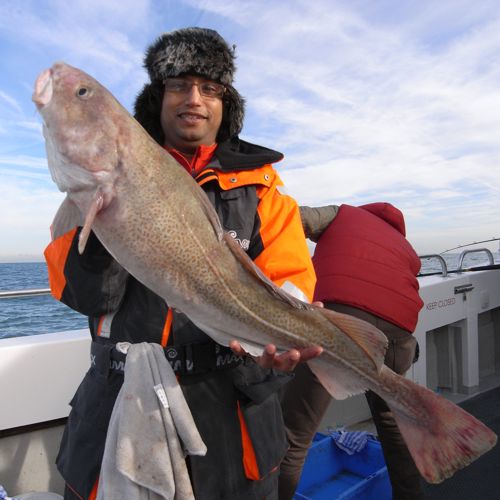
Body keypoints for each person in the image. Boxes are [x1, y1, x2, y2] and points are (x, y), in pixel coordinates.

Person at [44, 27, 320, 500]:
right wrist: (109, 217)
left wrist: (284, 333)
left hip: (231, 410)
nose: (193, 98)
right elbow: (83, 297)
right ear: (159, 97)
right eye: (178, 85)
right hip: (118, 399)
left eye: (209, 88)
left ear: (225, 103)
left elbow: (290, 281)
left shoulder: (264, 190)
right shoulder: (94, 182)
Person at [279, 203, 425, 500]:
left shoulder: (343, 214)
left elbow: (290, 218)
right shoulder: (405, 246)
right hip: (399, 332)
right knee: (391, 423)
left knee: (294, 435)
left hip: (340, 321)